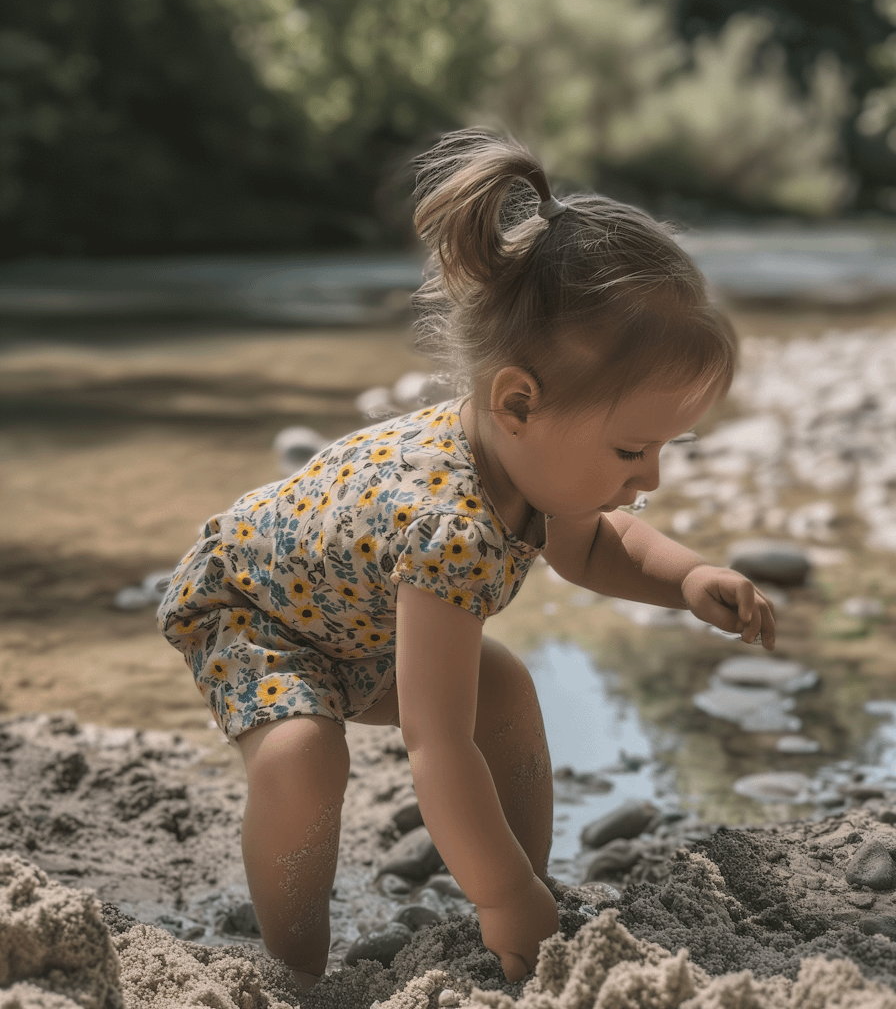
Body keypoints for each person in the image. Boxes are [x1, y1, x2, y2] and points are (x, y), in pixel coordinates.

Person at [157, 127, 776, 991]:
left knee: (507, 688)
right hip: (259, 616)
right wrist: (498, 895)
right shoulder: (451, 523)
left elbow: (595, 544)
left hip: (356, 619)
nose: (654, 477)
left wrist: (686, 577)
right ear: (519, 402)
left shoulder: (529, 459)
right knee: (304, 754)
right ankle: (292, 965)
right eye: (634, 450)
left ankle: (531, 889)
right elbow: (433, 742)